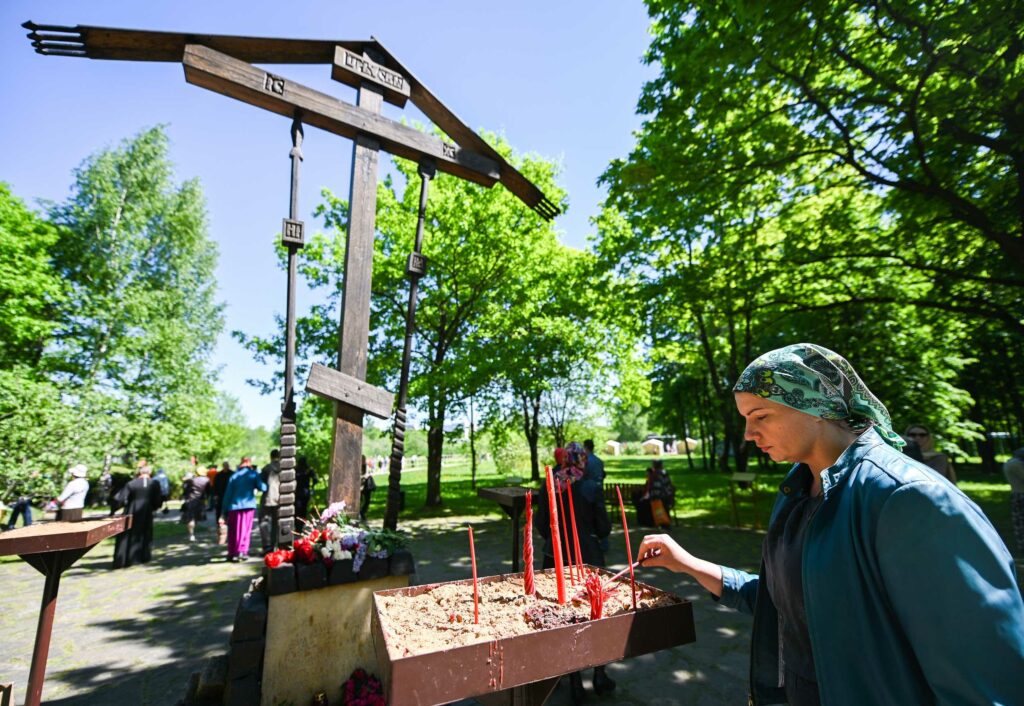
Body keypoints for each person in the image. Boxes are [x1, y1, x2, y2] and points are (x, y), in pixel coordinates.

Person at [637, 343, 1024, 704]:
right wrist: (687, 564)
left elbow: (986, 680)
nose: (749, 435)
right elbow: (784, 603)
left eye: (761, 416)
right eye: (746, 420)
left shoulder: (908, 499)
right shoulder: (797, 489)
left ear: (815, 405)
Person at [534, 443, 615, 703]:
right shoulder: (591, 488)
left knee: (563, 618)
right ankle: (599, 674)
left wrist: (556, 539)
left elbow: (541, 524)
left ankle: (574, 680)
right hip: (589, 558)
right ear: (582, 461)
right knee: (595, 614)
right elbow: (603, 528)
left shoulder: (549, 485)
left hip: (554, 557)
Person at [112, 463, 164, 568]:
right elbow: (158, 499)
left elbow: (119, 499)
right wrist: (155, 507)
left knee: (129, 534)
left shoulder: (131, 483)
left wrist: (114, 509)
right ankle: (143, 557)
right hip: (147, 512)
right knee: (145, 533)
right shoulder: (154, 484)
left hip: (132, 511)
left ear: (139, 473)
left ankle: (127, 559)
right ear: (150, 473)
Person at [222, 457, 267, 561]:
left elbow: (228, 494)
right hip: (248, 506)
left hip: (234, 506)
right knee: (245, 529)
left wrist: (224, 510)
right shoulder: (253, 474)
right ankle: (242, 551)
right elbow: (263, 488)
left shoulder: (234, 476)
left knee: (233, 530)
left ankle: (232, 552)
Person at [259, 450, 281, 554]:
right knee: (276, 523)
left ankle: (267, 546)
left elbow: (261, 485)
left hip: (267, 499)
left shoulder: (266, 468)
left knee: (264, 522)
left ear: (271, 457)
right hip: (280, 500)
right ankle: (274, 545)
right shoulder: (284, 468)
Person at [180, 468, 210, 542]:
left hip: (191, 500)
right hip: (201, 501)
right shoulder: (207, 480)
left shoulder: (192, 480)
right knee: (196, 517)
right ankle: (193, 533)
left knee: (190, 518)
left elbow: (185, 490)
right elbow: (208, 491)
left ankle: (191, 534)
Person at [1004, 447, 1024, 555]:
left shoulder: (1009, 463)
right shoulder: (1016, 464)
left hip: (1016, 494)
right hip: (1021, 494)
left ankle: (1021, 543)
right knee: (1020, 520)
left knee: (1019, 520)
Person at [213, 460, 234, 525]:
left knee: (229, 509)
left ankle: (229, 522)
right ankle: (219, 523)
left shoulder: (232, 474)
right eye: (225, 466)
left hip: (230, 495)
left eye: (227, 466)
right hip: (220, 494)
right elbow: (215, 485)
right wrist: (215, 495)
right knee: (219, 509)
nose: (226, 467)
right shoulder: (218, 475)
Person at [295, 456, 315, 520]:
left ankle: (298, 522)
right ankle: (302, 522)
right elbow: (315, 479)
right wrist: (312, 487)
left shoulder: (296, 470)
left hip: (298, 492)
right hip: (305, 492)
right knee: (304, 509)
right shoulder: (308, 470)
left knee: (297, 509)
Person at [360, 455, 376, 521]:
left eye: (364, 459)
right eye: (362, 459)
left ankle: (362, 513)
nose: (363, 461)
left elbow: (370, 473)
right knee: (360, 501)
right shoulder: (358, 466)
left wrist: (368, 475)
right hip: (360, 487)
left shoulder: (366, 466)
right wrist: (364, 477)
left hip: (367, 486)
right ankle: (359, 513)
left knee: (367, 501)